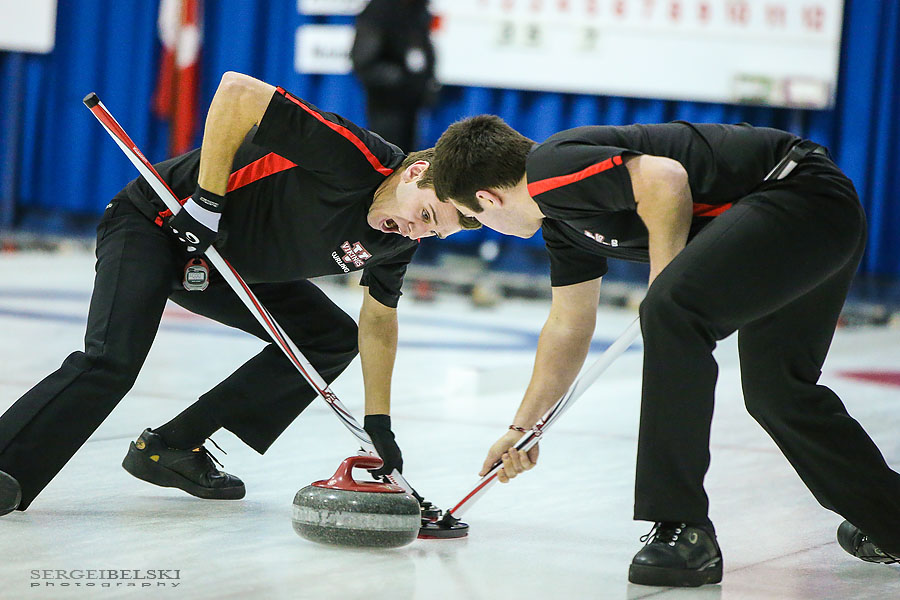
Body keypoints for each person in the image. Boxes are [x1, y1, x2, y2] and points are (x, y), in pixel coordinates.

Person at [431, 115, 900, 586]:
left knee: (671, 310)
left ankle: (683, 528)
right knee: (776, 392)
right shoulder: (562, 224)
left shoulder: (550, 168)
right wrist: (523, 428)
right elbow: (568, 326)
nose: (478, 223)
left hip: (798, 196)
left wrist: (665, 282)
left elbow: (664, 178)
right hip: (819, 219)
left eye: (473, 216)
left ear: (488, 198)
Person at [0, 71, 478, 516]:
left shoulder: (397, 237)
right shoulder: (354, 156)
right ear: (416, 175)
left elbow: (378, 322)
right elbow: (236, 91)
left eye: (434, 234)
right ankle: (9, 465)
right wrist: (208, 200)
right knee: (112, 361)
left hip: (226, 265)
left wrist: (379, 422)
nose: (419, 233)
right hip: (156, 224)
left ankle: (174, 446)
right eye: (428, 216)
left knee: (329, 336)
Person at [350, 0, 438, 152]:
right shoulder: (378, 11)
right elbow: (364, 63)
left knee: (409, 158)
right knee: (388, 157)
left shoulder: (418, 10)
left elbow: (423, 52)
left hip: (413, 103)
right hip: (386, 105)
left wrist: (424, 84)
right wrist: (401, 79)